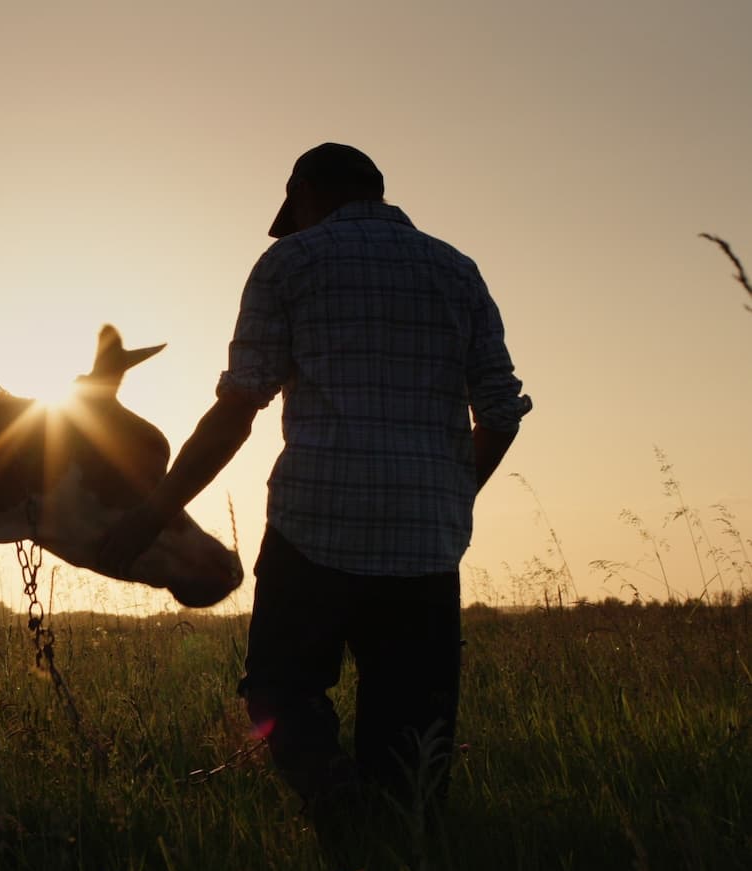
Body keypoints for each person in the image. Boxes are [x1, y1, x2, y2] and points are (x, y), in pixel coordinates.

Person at [98, 142, 531, 811]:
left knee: (279, 691)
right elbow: (501, 411)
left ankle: (339, 802)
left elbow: (239, 408)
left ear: (303, 192)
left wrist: (151, 514)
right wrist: (453, 497)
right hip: (426, 547)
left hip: (314, 534)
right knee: (414, 735)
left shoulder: (290, 262)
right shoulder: (457, 271)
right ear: (375, 192)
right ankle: (397, 866)